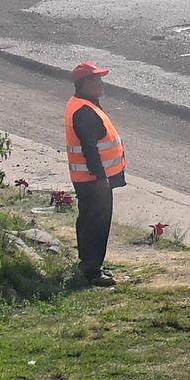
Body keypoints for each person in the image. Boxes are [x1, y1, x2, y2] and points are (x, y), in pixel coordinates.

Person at [62, 62, 129, 285]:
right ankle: (92, 271)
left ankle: (88, 264)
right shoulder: (84, 111)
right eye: (97, 79)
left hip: (87, 179)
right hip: (94, 181)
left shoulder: (80, 104)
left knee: (88, 220)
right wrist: (101, 178)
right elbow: (90, 149)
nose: (102, 83)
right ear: (85, 83)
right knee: (97, 224)